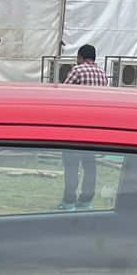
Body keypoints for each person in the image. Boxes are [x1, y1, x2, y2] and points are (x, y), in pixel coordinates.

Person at [59, 44, 106, 209]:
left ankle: (69, 200)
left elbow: (63, 95)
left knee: (71, 164)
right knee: (89, 165)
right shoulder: (102, 74)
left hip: (75, 127)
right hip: (94, 128)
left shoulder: (76, 71)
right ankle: (86, 200)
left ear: (80, 57)